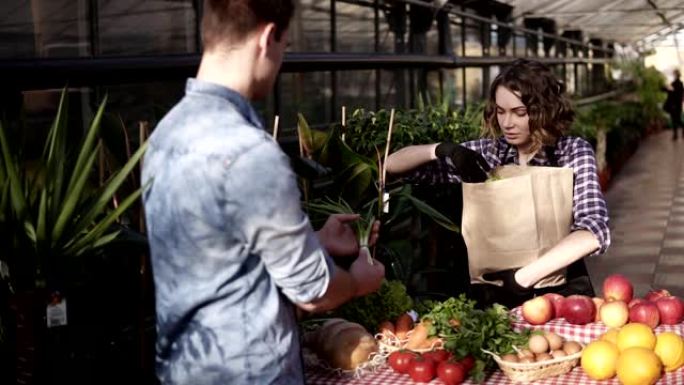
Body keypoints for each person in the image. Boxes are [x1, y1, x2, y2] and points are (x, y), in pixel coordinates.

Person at [140, 1, 385, 384]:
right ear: (268, 38)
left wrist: (316, 241)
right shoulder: (250, 152)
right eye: (285, 47)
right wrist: (357, 280)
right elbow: (313, 293)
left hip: (185, 368)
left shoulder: (164, 136)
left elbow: (218, 258)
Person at [385, 59, 610, 308]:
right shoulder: (490, 153)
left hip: (559, 289)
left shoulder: (572, 152)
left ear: (543, 110)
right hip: (495, 291)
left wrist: (522, 277)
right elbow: (391, 166)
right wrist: (439, 150)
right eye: (501, 111)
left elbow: (593, 231)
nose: (507, 123)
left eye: (519, 112)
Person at [663, 69, 683, 139]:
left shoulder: (676, 84)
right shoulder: (679, 83)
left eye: (674, 74)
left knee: (676, 120)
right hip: (676, 105)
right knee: (676, 119)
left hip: (674, 105)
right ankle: (675, 135)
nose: (673, 75)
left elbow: (672, 93)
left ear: (676, 75)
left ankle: (676, 135)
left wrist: (666, 88)